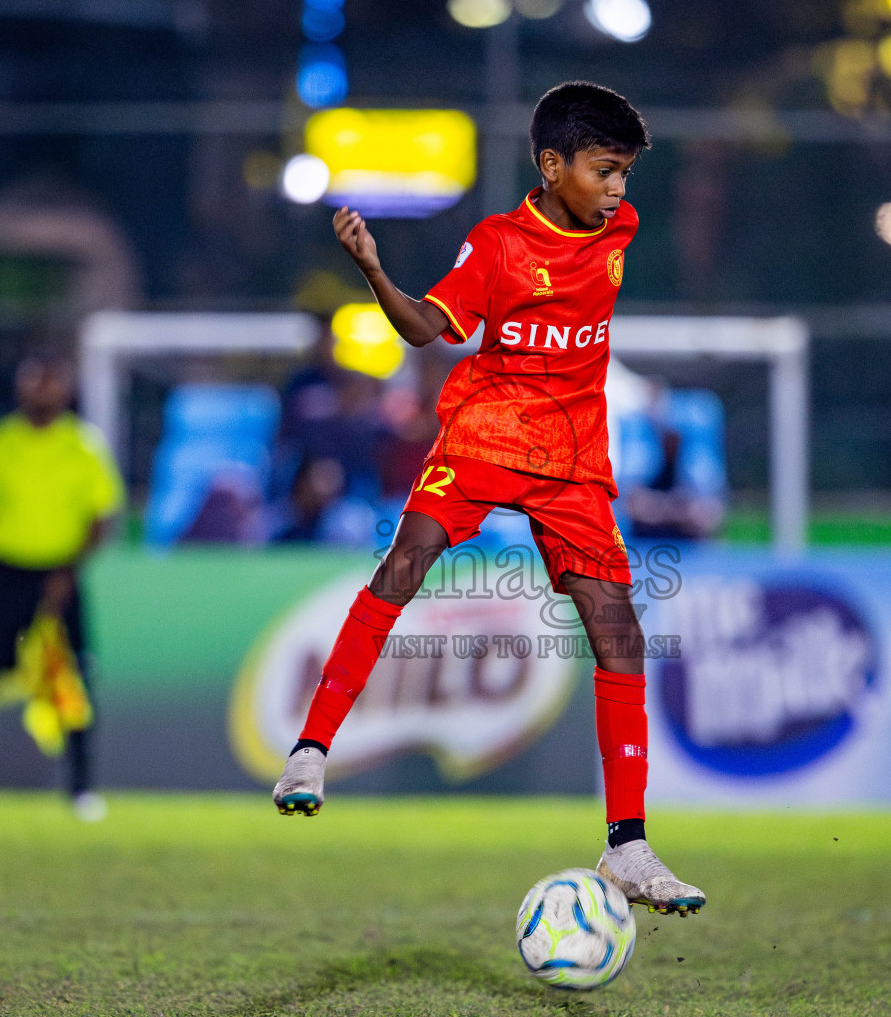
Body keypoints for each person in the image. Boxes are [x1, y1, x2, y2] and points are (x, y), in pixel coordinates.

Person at [272, 81, 706, 917]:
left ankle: (629, 846)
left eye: (625, 173)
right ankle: (311, 749)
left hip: (574, 455)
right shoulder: (500, 246)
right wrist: (371, 269)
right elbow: (427, 329)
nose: (620, 190)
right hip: (489, 433)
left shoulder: (622, 228)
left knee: (619, 630)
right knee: (408, 561)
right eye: (606, 170)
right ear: (551, 166)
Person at [0, 353, 123, 820]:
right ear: (20, 390)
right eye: (34, 383)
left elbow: (102, 518)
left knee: (75, 679)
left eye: (50, 383)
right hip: (7, 574)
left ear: (65, 391)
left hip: (61, 575)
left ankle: (81, 789)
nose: (42, 391)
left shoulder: (83, 445)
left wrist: (69, 570)